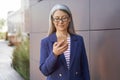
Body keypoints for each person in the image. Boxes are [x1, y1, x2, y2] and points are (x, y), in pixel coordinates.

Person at [39, 4, 90, 80]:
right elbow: (45, 71)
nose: (61, 21)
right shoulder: (45, 42)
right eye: (57, 18)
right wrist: (54, 54)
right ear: (52, 20)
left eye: (64, 18)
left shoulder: (79, 40)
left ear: (69, 19)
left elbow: (84, 67)